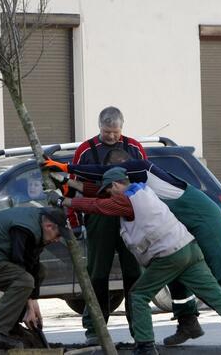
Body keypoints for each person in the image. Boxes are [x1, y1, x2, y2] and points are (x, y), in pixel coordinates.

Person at [46, 153, 221, 344]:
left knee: (218, 269)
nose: (106, 187)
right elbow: (100, 192)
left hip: (199, 221)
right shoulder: (137, 189)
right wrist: (68, 182)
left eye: (111, 178)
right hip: (184, 244)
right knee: (204, 289)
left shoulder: (140, 177)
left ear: (123, 172)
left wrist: (67, 177)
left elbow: (99, 203)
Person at [69, 106, 146, 345]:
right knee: (97, 273)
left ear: (122, 128)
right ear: (99, 127)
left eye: (115, 132)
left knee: (134, 273)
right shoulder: (85, 150)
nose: (111, 136)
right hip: (98, 216)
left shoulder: (134, 147)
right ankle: (95, 328)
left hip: (129, 214)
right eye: (106, 132)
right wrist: (73, 221)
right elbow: (73, 185)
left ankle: (140, 329)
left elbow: (147, 180)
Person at [0, 206, 69, 349]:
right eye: (58, 235)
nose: (57, 240)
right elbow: (20, 264)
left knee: (40, 271)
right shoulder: (24, 229)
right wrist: (30, 307)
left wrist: (34, 305)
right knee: (24, 281)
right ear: (49, 226)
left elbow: (32, 264)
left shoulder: (38, 224)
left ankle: (11, 324)